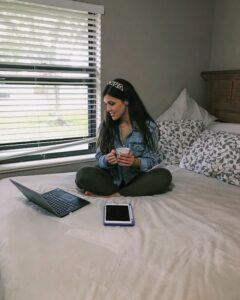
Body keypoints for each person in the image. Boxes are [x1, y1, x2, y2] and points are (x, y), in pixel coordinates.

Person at [75, 78, 172, 196]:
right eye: (106, 104)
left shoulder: (149, 128)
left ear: (126, 101)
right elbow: (99, 157)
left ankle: (114, 194)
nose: (108, 109)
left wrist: (134, 162)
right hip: (111, 177)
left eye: (112, 103)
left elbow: (151, 161)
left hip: (136, 179)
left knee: (164, 176)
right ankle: (123, 192)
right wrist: (107, 159)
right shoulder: (105, 126)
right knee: (82, 174)